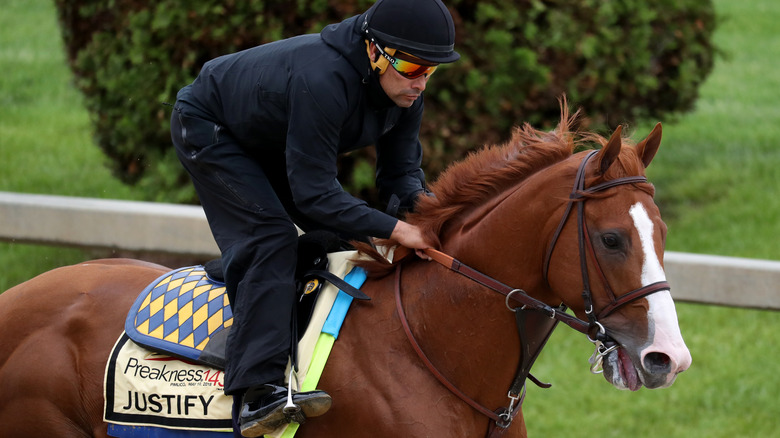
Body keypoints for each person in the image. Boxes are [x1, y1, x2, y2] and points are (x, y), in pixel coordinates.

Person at [171, 0, 459, 435]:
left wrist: (433, 221)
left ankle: (255, 283)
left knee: (334, 242)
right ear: (374, 51)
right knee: (270, 238)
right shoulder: (323, 78)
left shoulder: (404, 93)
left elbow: (400, 176)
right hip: (211, 128)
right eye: (412, 65)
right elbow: (314, 194)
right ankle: (256, 392)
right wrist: (397, 229)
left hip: (269, 134)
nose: (420, 82)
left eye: (431, 70)